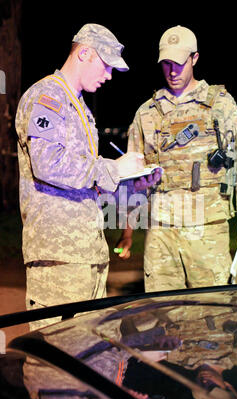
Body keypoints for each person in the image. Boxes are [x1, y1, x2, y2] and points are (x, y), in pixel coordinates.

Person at [15, 23, 157, 330]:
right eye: (106, 66)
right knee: (55, 363)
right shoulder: (47, 97)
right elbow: (48, 164)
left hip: (88, 253)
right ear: (84, 53)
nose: (108, 76)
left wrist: (129, 184)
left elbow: (85, 184)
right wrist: (114, 168)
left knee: (90, 358)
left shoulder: (80, 108)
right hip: (58, 258)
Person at [116, 25, 237, 292]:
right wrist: (127, 232)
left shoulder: (220, 104)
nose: (172, 71)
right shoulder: (147, 113)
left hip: (207, 228)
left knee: (213, 316)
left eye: (179, 63)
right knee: (164, 318)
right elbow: (132, 177)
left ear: (194, 58)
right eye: (166, 64)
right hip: (161, 231)